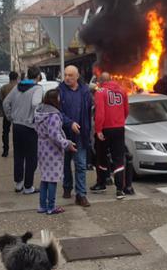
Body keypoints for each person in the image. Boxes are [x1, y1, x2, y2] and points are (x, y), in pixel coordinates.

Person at [34, 89, 78, 215]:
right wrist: (67, 144)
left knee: (44, 178)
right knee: (52, 179)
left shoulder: (39, 112)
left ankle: (42, 205)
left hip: (42, 148)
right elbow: (54, 135)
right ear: (55, 100)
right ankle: (51, 206)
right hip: (52, 151)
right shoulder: (53, 115)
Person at [3, 67, 44, 194]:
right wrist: (37, 116)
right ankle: (28, 186)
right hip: (30, 127)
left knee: (19, 156)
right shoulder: (37, 88)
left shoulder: (17, 87)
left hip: (17, 126)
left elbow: (5, 103)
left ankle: (19, 184)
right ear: (37, 77)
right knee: (31, 157)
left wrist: (10, 117)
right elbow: (36, 104)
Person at [58, 66, 93, 207]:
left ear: (77, 76)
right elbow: (58, 112)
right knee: (66, 163)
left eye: (70, 75)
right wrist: (70, 122)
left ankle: (81, 194)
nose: (67, 78)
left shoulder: (85, 91)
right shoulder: (59, 91)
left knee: (80, 165)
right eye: (65, 75)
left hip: (81, 134)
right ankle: (67, 187)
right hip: (64, 134)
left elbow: (88, 110)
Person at [92, 72, 130, 199]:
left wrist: (98, 130)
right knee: (119, 158)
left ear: (101, 81)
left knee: (101, 156)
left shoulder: (100, 92)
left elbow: (100, 113)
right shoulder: (122, 90)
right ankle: (120, 189)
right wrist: (120, 121)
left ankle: (102, 183)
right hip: (119, 128)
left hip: (105, 128)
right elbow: (126, 110)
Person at [0, 71, 19, 157]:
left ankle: (5, 150)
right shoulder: (19, 88)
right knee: (17, 133)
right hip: (18, 113)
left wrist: (0, 111)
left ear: (9, 77)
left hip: (7, 113)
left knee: (6, 132)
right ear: (17, 78)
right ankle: (17, 150)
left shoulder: (4, 88)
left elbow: (0, 100)